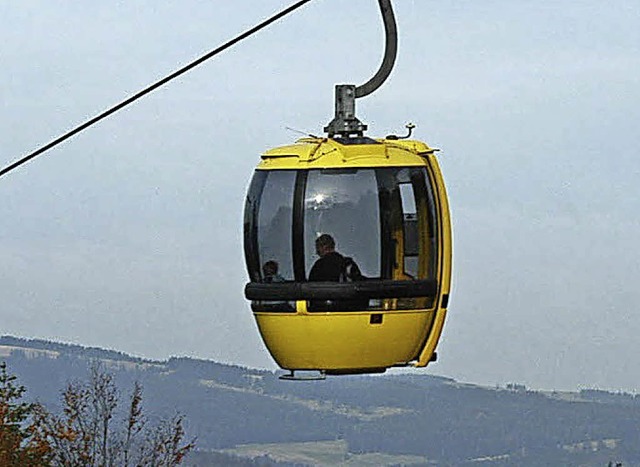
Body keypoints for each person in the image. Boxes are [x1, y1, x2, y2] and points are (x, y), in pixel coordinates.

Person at [308, 234, 366, 311]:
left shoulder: (318, 267)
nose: (317, 253)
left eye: (318, 249)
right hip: (349, 310)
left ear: (323, 248)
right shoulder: (348, 264)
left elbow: (311, 290)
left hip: (322, 311)